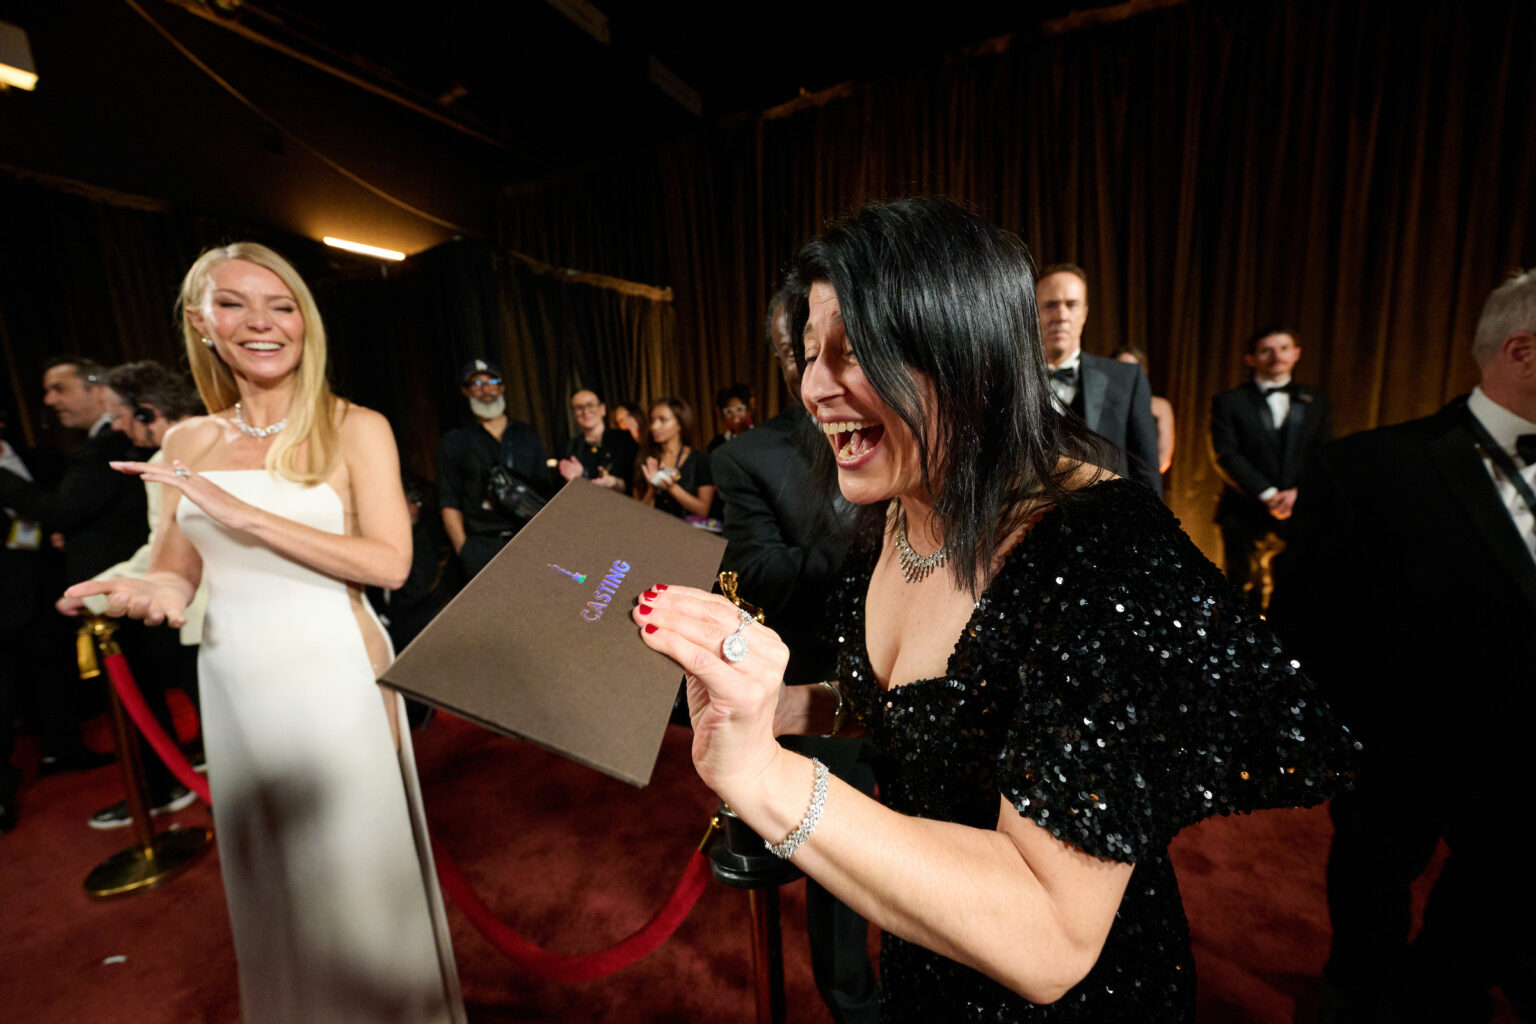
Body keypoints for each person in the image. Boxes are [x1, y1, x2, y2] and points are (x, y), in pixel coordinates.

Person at [631, 199, 1355, 1021]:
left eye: (854, 351)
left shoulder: (1101, 550)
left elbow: (1051, 936)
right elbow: (927, 708)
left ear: (965, 351)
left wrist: (765, 776)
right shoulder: (898, 508)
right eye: (807, 355)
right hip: (925, 962)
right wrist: (774, 705)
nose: (812, 387)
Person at [62, 242, 464, 1024]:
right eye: (235, 304)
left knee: (354, 885)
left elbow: (390, 562)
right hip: (236, 682)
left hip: (334, 674)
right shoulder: (187, 444)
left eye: (281, 305)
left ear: (306, 323)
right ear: (200, 322)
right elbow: (181, 575)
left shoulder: (356, 427)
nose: (262, 322)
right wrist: (146, 586)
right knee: (275, 880)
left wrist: (247, 512)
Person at [1270, 270, 1536, 1024]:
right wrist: (1342, 749)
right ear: (1522, 350)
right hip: (1399, 763)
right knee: (1371, 901)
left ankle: (1442, 986)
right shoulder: (1366, 470)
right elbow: (1305, 627)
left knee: (1491, 907)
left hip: (1527, 777)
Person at [711, 288, 879, 1023]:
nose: (820, 372)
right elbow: (756, 574)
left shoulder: (918, 428)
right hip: (821, 682)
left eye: (839, 348)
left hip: (931, 678)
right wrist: (869, 549)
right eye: (805, 351)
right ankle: (850, 999)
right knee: (840, 869)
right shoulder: (749, 456)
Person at [75, 360, 210, 829]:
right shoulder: (225, 437)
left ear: (150, 412)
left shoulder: (163, 462)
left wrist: (94, 593)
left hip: (207, 615)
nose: (115, 425)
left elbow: (164, 550)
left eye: (121, 415)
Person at [0, 356, 147, 774]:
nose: (48, 401)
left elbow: (64, 509)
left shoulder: (94, 448)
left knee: (131, 687)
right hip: (26, 597)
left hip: (104, 586)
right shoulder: (91, 448)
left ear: (96, 388)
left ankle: (152, 785)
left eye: (58, 389)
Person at [1210, 328, 1332, 614]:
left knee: (1294, 589)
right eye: (1267, 350)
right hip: (1243, 510)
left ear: (1296, 354)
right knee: (1239, 589)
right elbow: (1225, 453)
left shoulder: (1317, 400)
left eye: (1284, 348)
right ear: (1251, 359)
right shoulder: (1229, 401)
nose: (1277, 356)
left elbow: (1323, 452)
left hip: (1299, 510)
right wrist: (1267, 494)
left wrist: (1297, 493)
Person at [1034, 265, 1162, 492]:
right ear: (1034, 313)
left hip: (1106, 520)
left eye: (1071, 305)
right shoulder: (1010, 383)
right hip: (1032, 521)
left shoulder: (1126, 378)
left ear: (1084, 313)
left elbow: (1146, 470)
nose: (1061, 316)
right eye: (1050, 305)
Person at [436, 358, 555, 577]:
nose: (486, 390)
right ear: (466, 391)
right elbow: (448, 500)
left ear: (502, 387)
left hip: (530, 539)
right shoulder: (454, 442)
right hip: (482, 546)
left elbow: (544, 489)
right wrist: (465, 550)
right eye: (477, 384)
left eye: (492, 382)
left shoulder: (526, 434)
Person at [637, 397, 716, 521]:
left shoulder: (700, 459)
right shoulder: (647, 460)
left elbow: (703, 510)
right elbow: (638, 513)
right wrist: (652, 489)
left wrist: (672, 487)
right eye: (652, 421)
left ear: (680, 424)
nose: (654, 426)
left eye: (663, 420)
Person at [556, 388, 636, 493]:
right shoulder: (571, 447)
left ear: (602, 409)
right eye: (579, 407)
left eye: (590, 405)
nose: (585, 411)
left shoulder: (623, 438)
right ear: (574, 414)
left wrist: (612, 482)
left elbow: (635, 483)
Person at [1112, 346, 1175, 475]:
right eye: (1120, 367)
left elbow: (1164, 453)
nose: (1126, 373)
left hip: (1145, 480)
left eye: (1132, 368)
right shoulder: (1102, 403)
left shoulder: (1159, 406)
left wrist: (1147, 478)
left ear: (1143, 372)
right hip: (1109, 478)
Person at [707, 382, 755, 452]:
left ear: (748, 410)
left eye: (739, 409)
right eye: (729, 411)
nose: (735, 415)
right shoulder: (716, 444)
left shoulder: (759, 437)